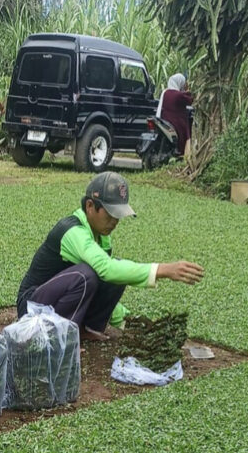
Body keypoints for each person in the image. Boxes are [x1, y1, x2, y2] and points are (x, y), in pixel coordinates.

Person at [16, 172, 204, 338]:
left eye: (119, 216)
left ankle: (88, 329)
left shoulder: (102, 239)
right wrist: (163, 270)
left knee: (114, 270)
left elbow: (107, 280)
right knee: (86, 275)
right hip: (31, 307)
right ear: (90, 206)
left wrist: (130, 322)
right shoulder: (72, 231)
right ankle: (58, 338)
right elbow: (107, 270)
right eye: (110, 214)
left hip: (54, 304)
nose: (115, 221)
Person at [157, 73, 193, 157]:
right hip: (177, 122)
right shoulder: (178, 95)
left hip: (165, 120)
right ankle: (184, 153)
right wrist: (188, 90)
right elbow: (190, 100)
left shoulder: (165, 92)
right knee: (187, 132)